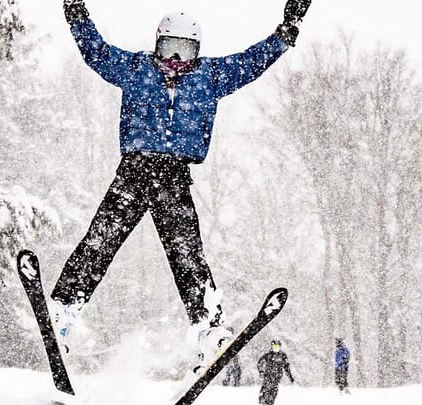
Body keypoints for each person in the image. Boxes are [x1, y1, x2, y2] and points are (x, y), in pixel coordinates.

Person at [50, 0, 312, 365]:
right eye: (168, 48)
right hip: (135, 171)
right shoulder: (136, 68)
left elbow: (252, 62)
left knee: (188, 256)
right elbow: (95, 51)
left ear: (197, 52)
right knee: (100, 241)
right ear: (156, 44)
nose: (175, 58)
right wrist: (76, 11)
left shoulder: (211, 76)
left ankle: (208, 327)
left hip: (173, 178)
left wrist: (286, 31)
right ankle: (63, 309)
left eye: (184, 50)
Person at [257, 339, 294, 405]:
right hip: (268, 377)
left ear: (280, 347)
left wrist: (290, 377)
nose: (276, 348)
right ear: (272, 347)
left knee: (273, 395)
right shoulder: (268, 355)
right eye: (274, 347)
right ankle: (262, 402)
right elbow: (260, 362)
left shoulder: (283, 356)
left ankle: (269, 403)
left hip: (277, 379)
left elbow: (286, 367)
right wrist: (261, 372)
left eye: (277, 347)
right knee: (264, 393)